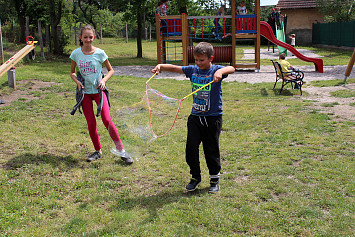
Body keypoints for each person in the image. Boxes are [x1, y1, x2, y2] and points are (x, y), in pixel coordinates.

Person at [151, 42, 235, 193]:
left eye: (201, 60)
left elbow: (232, 68)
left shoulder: (216, 70)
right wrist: (161, 66)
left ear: (211, 58)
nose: (198, 63)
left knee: (211, 150)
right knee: (191, 149)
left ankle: (214, 179)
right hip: (195, 117)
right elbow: (176, 68)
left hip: (213, 117)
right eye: (196, 59)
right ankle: (195, 177)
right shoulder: (193, 70)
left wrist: (221, 72)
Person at [69, 24, 133, 165]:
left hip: (99, 91)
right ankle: (98, 150)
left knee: (107, 119)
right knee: (91, 124)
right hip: (85, 93)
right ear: (81, 37)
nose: (88, 40)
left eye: (90, 37)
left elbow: (111, 70)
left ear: (94, 37)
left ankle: (121, 151)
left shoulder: (100, 53)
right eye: (85, 37)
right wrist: (76, 81)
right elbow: (72, 72)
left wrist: (104, 80)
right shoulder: (76, 54)